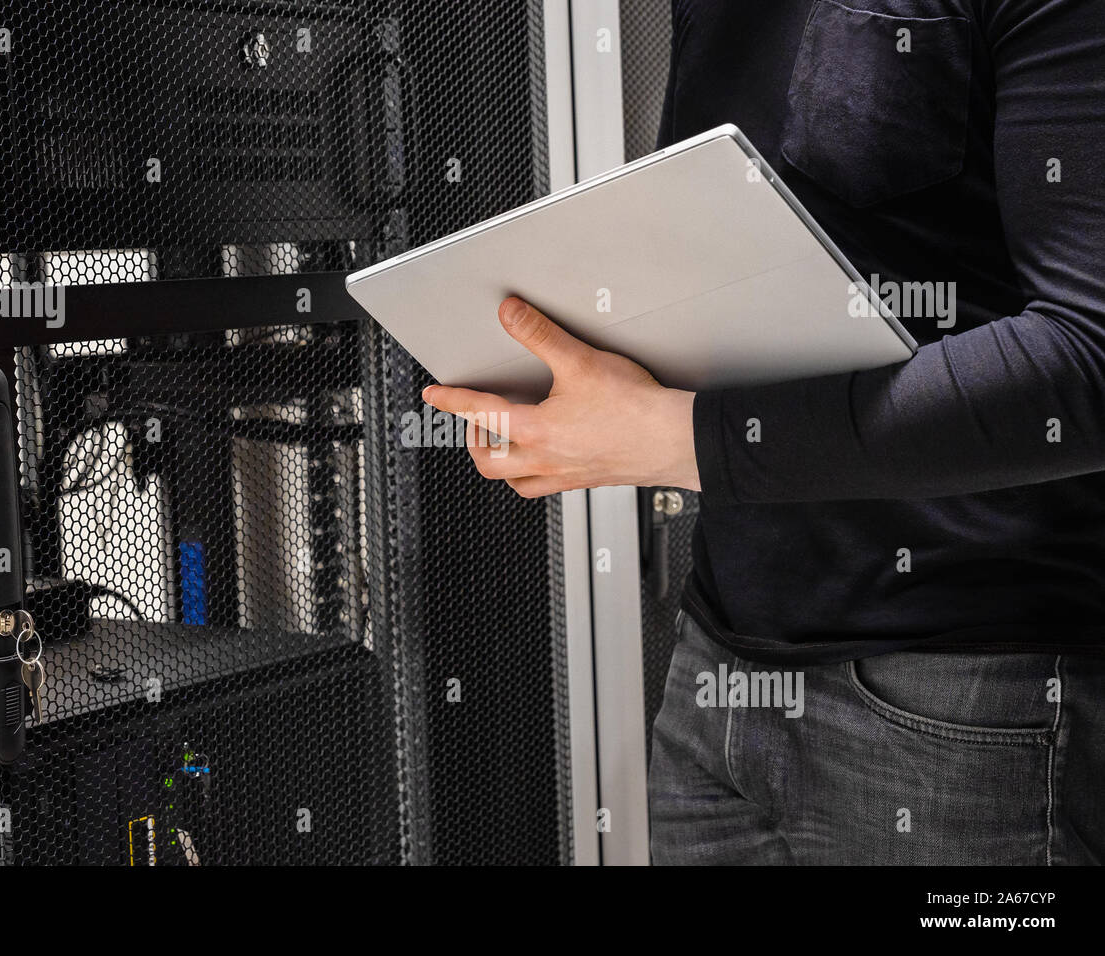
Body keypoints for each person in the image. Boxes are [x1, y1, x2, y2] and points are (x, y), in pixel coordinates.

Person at [422, 0, 1105, 864]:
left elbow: (1089, 360)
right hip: (718, 670)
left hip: (968, 702)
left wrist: (677, 437)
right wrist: (571, 386)